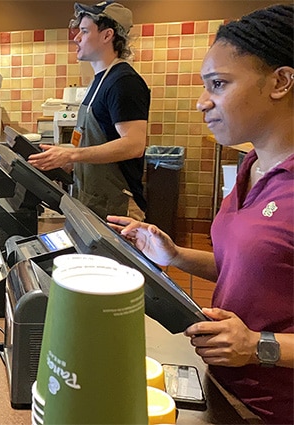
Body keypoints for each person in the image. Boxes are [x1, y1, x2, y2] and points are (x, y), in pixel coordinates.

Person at [108, 5, 293, 423]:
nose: (202, 102)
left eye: (219, 84)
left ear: (280, 81)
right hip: (223, 390)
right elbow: (255, 270)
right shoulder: (251, 167)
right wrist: (174, 256)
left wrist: (259, 345)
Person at [28, 1, 149, 220]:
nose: (76, 37)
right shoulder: (100, 81)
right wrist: (69, 162)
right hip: (93, 201)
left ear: (107, 35)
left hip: (118, 207)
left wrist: (72, 154)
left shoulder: (124, 82)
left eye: (84, 31)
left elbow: (134, 145)